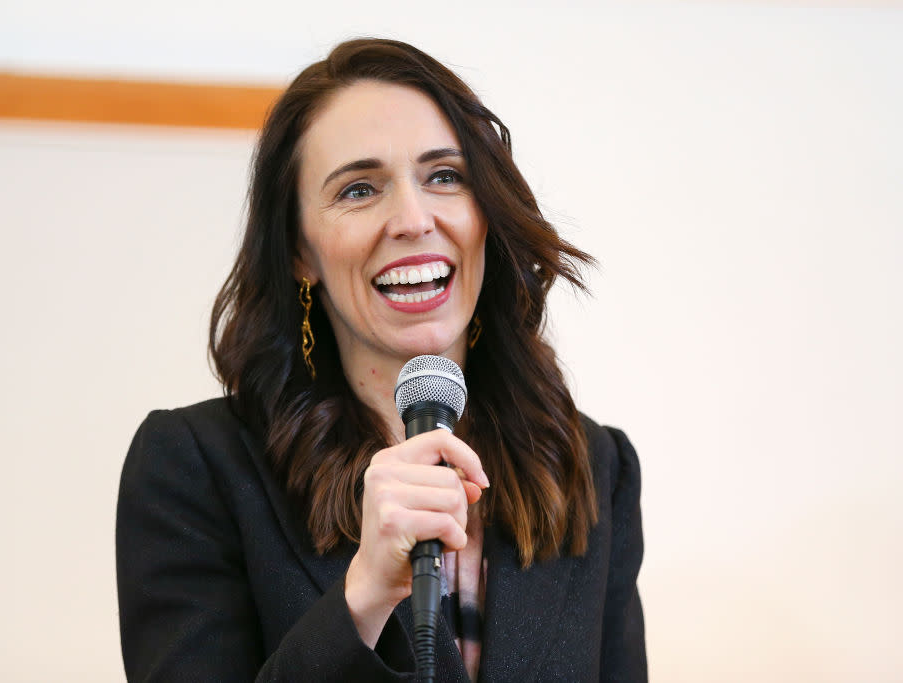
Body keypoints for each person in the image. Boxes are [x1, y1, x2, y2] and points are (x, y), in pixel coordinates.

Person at [116, 38, 646, 682]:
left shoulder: (590, 465)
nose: (413, 218)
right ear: (299, 252)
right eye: (360, 189)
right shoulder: (196, 467)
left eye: (444, 176)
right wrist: (361, 598)